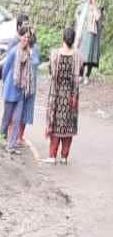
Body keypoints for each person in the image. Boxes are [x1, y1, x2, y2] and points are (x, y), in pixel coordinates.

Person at [45, 26, 81, 164]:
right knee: (68, 126)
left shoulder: (55, 54)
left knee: (55, 125)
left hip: (57, 94)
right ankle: (64, 157)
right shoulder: (77, 56)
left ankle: (52, 156)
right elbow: (81, 72)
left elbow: (50, 71)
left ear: (63, 39)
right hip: (71, 96)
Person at [5, 29, 36, 152]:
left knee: (16, 118)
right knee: (6, 119)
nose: (26, 39)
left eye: (28, 37)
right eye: (24, 36)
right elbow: (5, 70)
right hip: (10, 89)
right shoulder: (14, 52)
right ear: (20, 37)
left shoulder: (28, 53)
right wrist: (6, 84)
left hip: (21, 91)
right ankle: (2, 140)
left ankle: (11, 145)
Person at [75, 0, 103, 84]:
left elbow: (98, 17)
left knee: (90, 56)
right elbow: (77, 14)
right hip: (83, 34)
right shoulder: (83, 6)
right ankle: (80, 75)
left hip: (92, 35)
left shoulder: (97, 7)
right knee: (81, 55)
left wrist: (94, 4)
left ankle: (87, 76)